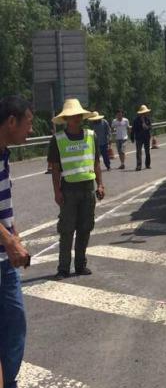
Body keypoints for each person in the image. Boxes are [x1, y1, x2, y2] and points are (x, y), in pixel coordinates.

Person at [0, 95, 45, 388]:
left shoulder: (4, 154)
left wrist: (15, 235)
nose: (31, 129)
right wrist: (9, 242)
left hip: (3, 259)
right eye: (28, 122)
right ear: (11, 122)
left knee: (14, 323)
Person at [48, 98, 105, 278]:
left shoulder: (91, 136)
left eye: (78, 115)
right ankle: (63, 268)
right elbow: (55, 168)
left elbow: (96, 162)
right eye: (72, 116)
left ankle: (80, 265)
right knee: (66, 230)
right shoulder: (57, 140)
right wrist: (57, 191)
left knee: (85, 227)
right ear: (66, 119)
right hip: (69, 190)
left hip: (88, 189)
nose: (76, 119)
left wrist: (100, 184)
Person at [132, 104, 152, 171]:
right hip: (139, 138)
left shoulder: (148, 119)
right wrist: (132, 137)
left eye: (145, 113)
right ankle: (139, 165)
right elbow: (133, 129)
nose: (144, 114)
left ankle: (148, 164)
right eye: (143, 113)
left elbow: (150, 127)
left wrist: (147, 126)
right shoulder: (136, 120)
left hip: (146, 137)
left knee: (147, 151)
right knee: (138, 152)